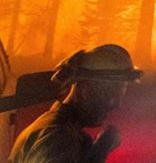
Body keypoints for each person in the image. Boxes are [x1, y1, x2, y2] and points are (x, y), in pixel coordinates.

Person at [9, 44, 142, 163]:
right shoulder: (57, 139)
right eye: (111, 95)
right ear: (85, 89)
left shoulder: (62, 131)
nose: (116, 104)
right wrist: (100, 151)